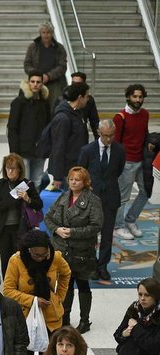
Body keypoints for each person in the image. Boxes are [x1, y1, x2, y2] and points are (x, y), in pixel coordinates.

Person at [3, 229, 71, 355]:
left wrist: (58, 297)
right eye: (36, 255)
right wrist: (33, 300)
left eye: (44, 254)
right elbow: (8, 290)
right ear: (28, 251)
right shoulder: (16, 261)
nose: (41, 258)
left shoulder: (54, 257)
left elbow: (66, 274)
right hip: (24, 318)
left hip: (50, 319)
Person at [44, 165, 102, 332]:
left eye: (77, 179)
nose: (73, 182)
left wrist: (72, 232)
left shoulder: (93, 201)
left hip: (82, 252)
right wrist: (56, 230)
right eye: (71, 179)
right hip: (62, 251)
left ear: (85, 182)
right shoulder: (63, 197)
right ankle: (65, 317)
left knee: (83, 284)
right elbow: (48, 217)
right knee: (66, 284)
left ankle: (85, 321)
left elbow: (96, 226)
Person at [77, 120, 125, 280]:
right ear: (98, 132)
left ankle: (102, 266)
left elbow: (118, 170)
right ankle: (91, 265)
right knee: (89, 235)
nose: (109, 139)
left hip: (110, 198)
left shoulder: (119, 150)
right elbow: (81, 172)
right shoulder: (87, 150)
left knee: (107, 236)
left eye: (111, 136)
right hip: (91, 200)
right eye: (105, 136)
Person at [0, 153, 42, 275]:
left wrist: (28, 199)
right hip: (4, 230)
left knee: (21, 262)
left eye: (13, 168)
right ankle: (7, 289)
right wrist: (14, 198)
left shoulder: (27, 185)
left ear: (19, 170)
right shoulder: (1, 184)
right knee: (6, 263)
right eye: (7, 168)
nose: (10, 171)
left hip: (21, 229)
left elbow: (39, 204)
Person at [114, 84, 153, 241]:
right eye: (134, 96)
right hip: (126, 162)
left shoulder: (145, 114)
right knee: (123, 197)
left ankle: (130, 220)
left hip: (142, 161)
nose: (137, 100)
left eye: (140, 97)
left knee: (145, 192)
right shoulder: (120, 117)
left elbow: (145, 134)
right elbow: (115, 143)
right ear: (128, 97)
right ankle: (118, 227)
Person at [7, 72, 51, 185]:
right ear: (28, 83)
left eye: (38, 82)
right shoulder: (19, 102)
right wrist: (14, 152)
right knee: (22, 182)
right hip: (23, 150)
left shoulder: (44, 103)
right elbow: (12, 128)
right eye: (32, 82)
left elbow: (48, 126)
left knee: (36, 182)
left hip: (40, 150)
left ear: (42, 84)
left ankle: (32, 202)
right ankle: (20, 203)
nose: (35, 84)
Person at [47, 82, 90, 189]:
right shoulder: (63, 118)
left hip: (76, 167)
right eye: (87, 96)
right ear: (80, 97)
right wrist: (58, 176)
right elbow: (58, 147)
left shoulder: (78, 113)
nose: (88, 99)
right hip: (67, 172)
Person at [23, 23, 68, 111]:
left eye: (48, 32)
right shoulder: (33, 47)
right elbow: (27, 64)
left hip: (55, 83)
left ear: (52, 33)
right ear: (40, 33)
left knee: (54, 107)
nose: (46, 35)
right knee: (36, 107)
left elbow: (62, 66)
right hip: (37, 82)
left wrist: (48, 76)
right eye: (43, 32)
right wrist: (37, 75)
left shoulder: (60, 48)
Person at [70, 71, 100, 140]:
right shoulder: (63, 99)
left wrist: (98, 141)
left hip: (82, 137)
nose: (74, 87)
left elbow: (94, 122)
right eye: (73, 84)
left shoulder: (89, 100)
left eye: (78, 84)